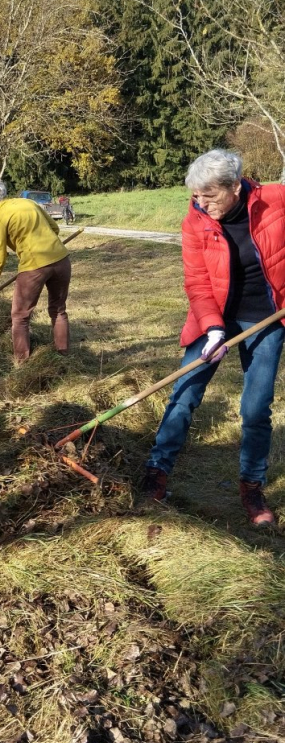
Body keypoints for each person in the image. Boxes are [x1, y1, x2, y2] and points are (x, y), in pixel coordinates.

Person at [142, 149, 285, 526]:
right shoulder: (195, 222)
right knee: (185, 390)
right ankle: (157, 471)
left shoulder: (277, 201)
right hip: (214, 319)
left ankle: (251, 487)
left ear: (236, 187)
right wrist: (213, 326)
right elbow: (197, 280)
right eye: (195, 196)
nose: (202, 204)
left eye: (210, 195)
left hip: (265, 319)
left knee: (256, 408)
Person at [0, 179, 72, 362]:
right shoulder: (28, 203)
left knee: (20, 316)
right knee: (58, 310)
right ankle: (64, 355)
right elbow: (55, 228)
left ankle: (22, 363)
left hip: (34, 266)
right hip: (61, 260)